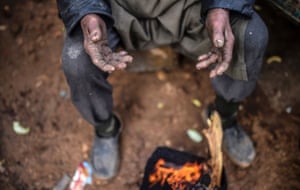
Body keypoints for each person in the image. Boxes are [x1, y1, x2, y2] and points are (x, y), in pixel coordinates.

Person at [56, 0, 268, 179]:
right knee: (77, 60)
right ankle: (105, 128)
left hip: (191, 6)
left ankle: (224, 116)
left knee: (251, 37)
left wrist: (221, 6)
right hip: (116, 9)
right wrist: (87, 12)